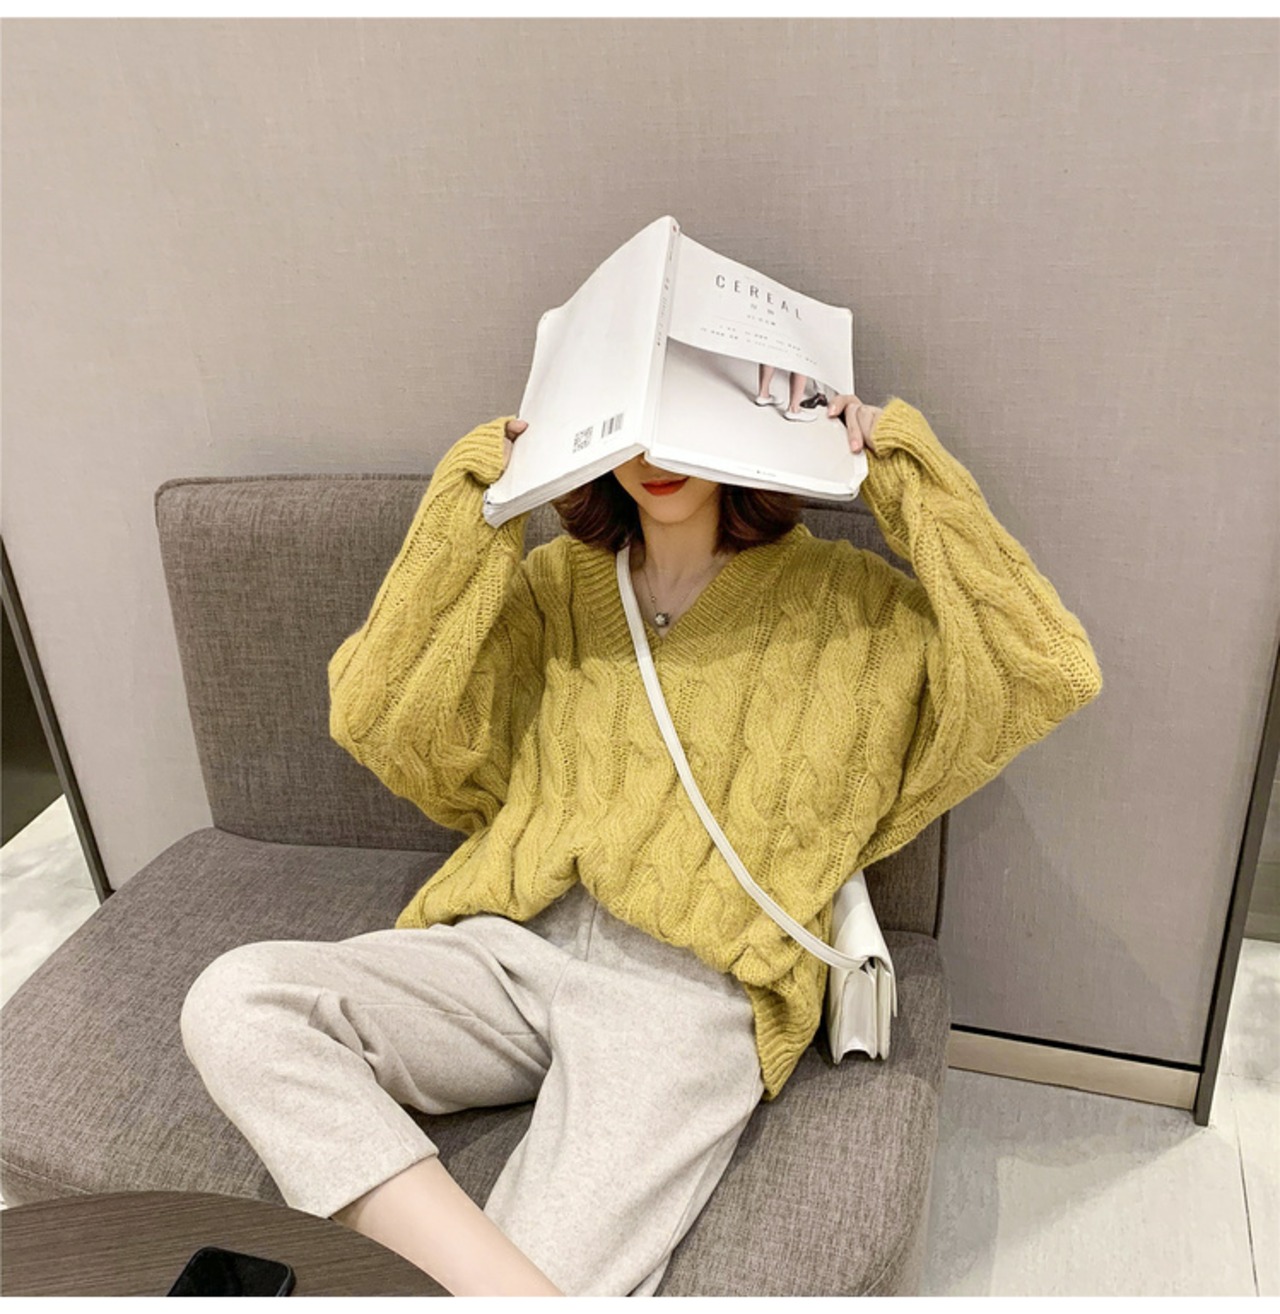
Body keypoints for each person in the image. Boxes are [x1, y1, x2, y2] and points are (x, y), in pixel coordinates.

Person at [179, 393, 1103, 1297]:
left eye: (683, 409)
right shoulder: (554, 586)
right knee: (238, 1002)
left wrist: (903, 470)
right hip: (506, 946)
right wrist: (475, 508)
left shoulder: (859, 612)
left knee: (560, 1261)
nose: (653, 454)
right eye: (631, 413)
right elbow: (377, 718)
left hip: (685, 997)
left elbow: (1047, 671)